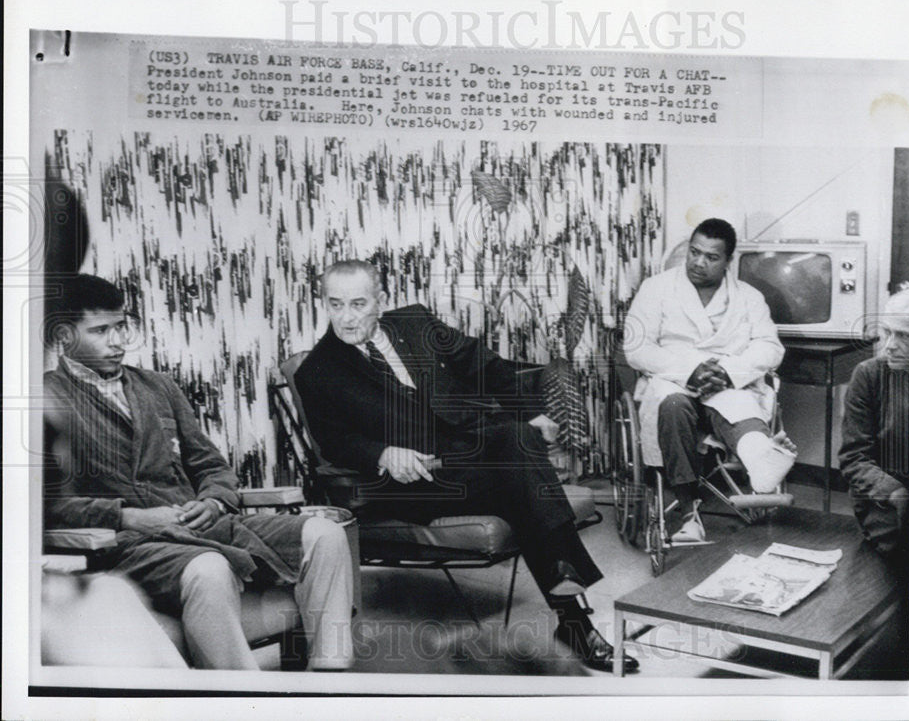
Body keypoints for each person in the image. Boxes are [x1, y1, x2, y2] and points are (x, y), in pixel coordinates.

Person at [294, 259, 639, 674]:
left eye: (357, 304)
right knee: (520, 469)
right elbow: (335, 442)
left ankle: (572, 620)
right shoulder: (318, 371)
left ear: (381, 302)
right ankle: (573, 621)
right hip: (408, 480)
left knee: (516, 440)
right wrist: (383, 453)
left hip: (464, 452)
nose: (346, 318)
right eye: (335, 305)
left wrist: (530, 413)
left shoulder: (416, 323)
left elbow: (485, 365)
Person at [43, 275, 354, 671]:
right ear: (65, 336)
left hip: (203, 525)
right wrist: (125, 515)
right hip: (131, 546)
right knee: (209, 568)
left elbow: (211, 465)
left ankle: (329, 677)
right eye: (101, 331)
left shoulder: (157, 386)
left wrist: (214, 499)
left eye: (121, 326)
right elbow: (43, 504)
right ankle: (243, 702)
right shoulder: (48, 399)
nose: (118, 340)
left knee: (324, 534)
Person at [624, 218, 796, 542]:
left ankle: (762, 461)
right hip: (672, 380)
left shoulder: (749, 297)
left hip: (727, 380)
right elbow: (636, 347)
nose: (699, 263)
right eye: (694, 252)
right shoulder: (656, 289)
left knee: (738, 403)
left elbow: (769, 347)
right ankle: (689, 514)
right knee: (673, 406)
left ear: (728, 261)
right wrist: (688, 371)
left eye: (711, 257)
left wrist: (729, 373)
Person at [839, 286, 909, 572]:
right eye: (887, 332)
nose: (889, 345)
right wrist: (894, 493)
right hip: (884, 502)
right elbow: (854, 458)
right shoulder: (869, 375)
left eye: (905, 336)